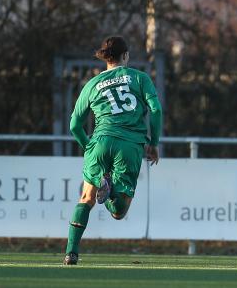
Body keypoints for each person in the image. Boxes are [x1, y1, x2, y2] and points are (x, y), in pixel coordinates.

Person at [63, 36, 163, 265]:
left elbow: (74, 125)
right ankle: (111, 193)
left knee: (86, 198)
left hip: (100, 141)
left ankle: (71, 253)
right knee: (118, 212)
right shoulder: (140, 78)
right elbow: (156, 110)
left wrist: (88, 146)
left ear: (106, 59)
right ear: (125, 55)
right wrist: (154, 143)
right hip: (129, 144)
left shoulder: (92, 84)